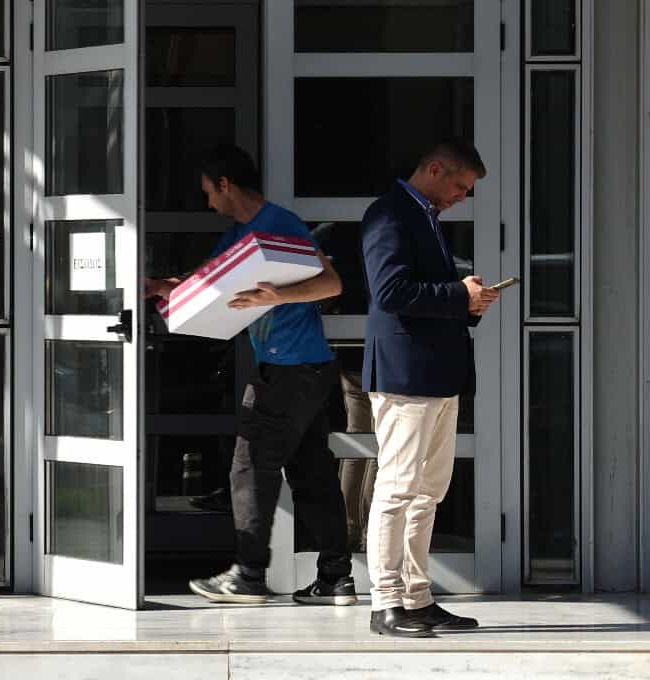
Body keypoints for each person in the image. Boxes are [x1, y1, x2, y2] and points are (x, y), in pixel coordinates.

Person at [145, 144, 355, 605]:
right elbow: (207, 284)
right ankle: (335, 578)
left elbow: (331, 283)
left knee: (249, 467)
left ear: (226, 185)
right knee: (312, 474)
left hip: (289, 369)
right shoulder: (241, 233)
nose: (208, 203)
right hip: (304, 368)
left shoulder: (280, 224)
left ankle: (249, 575)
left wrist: (275, 298)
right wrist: (163, 287)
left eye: (209, 192)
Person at [360, 137, 499, 637]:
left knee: (428, 493)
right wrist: (458, 294)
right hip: (405, 375)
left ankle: (417, 598)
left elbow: (427, 296)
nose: (463, 195)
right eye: (461, 185)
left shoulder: (425, 217)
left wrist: (470, 302)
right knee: (398, 489)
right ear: (436, 169)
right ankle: (385, 603)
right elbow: (390, 291)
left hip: (436, 375)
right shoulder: (389, 214)